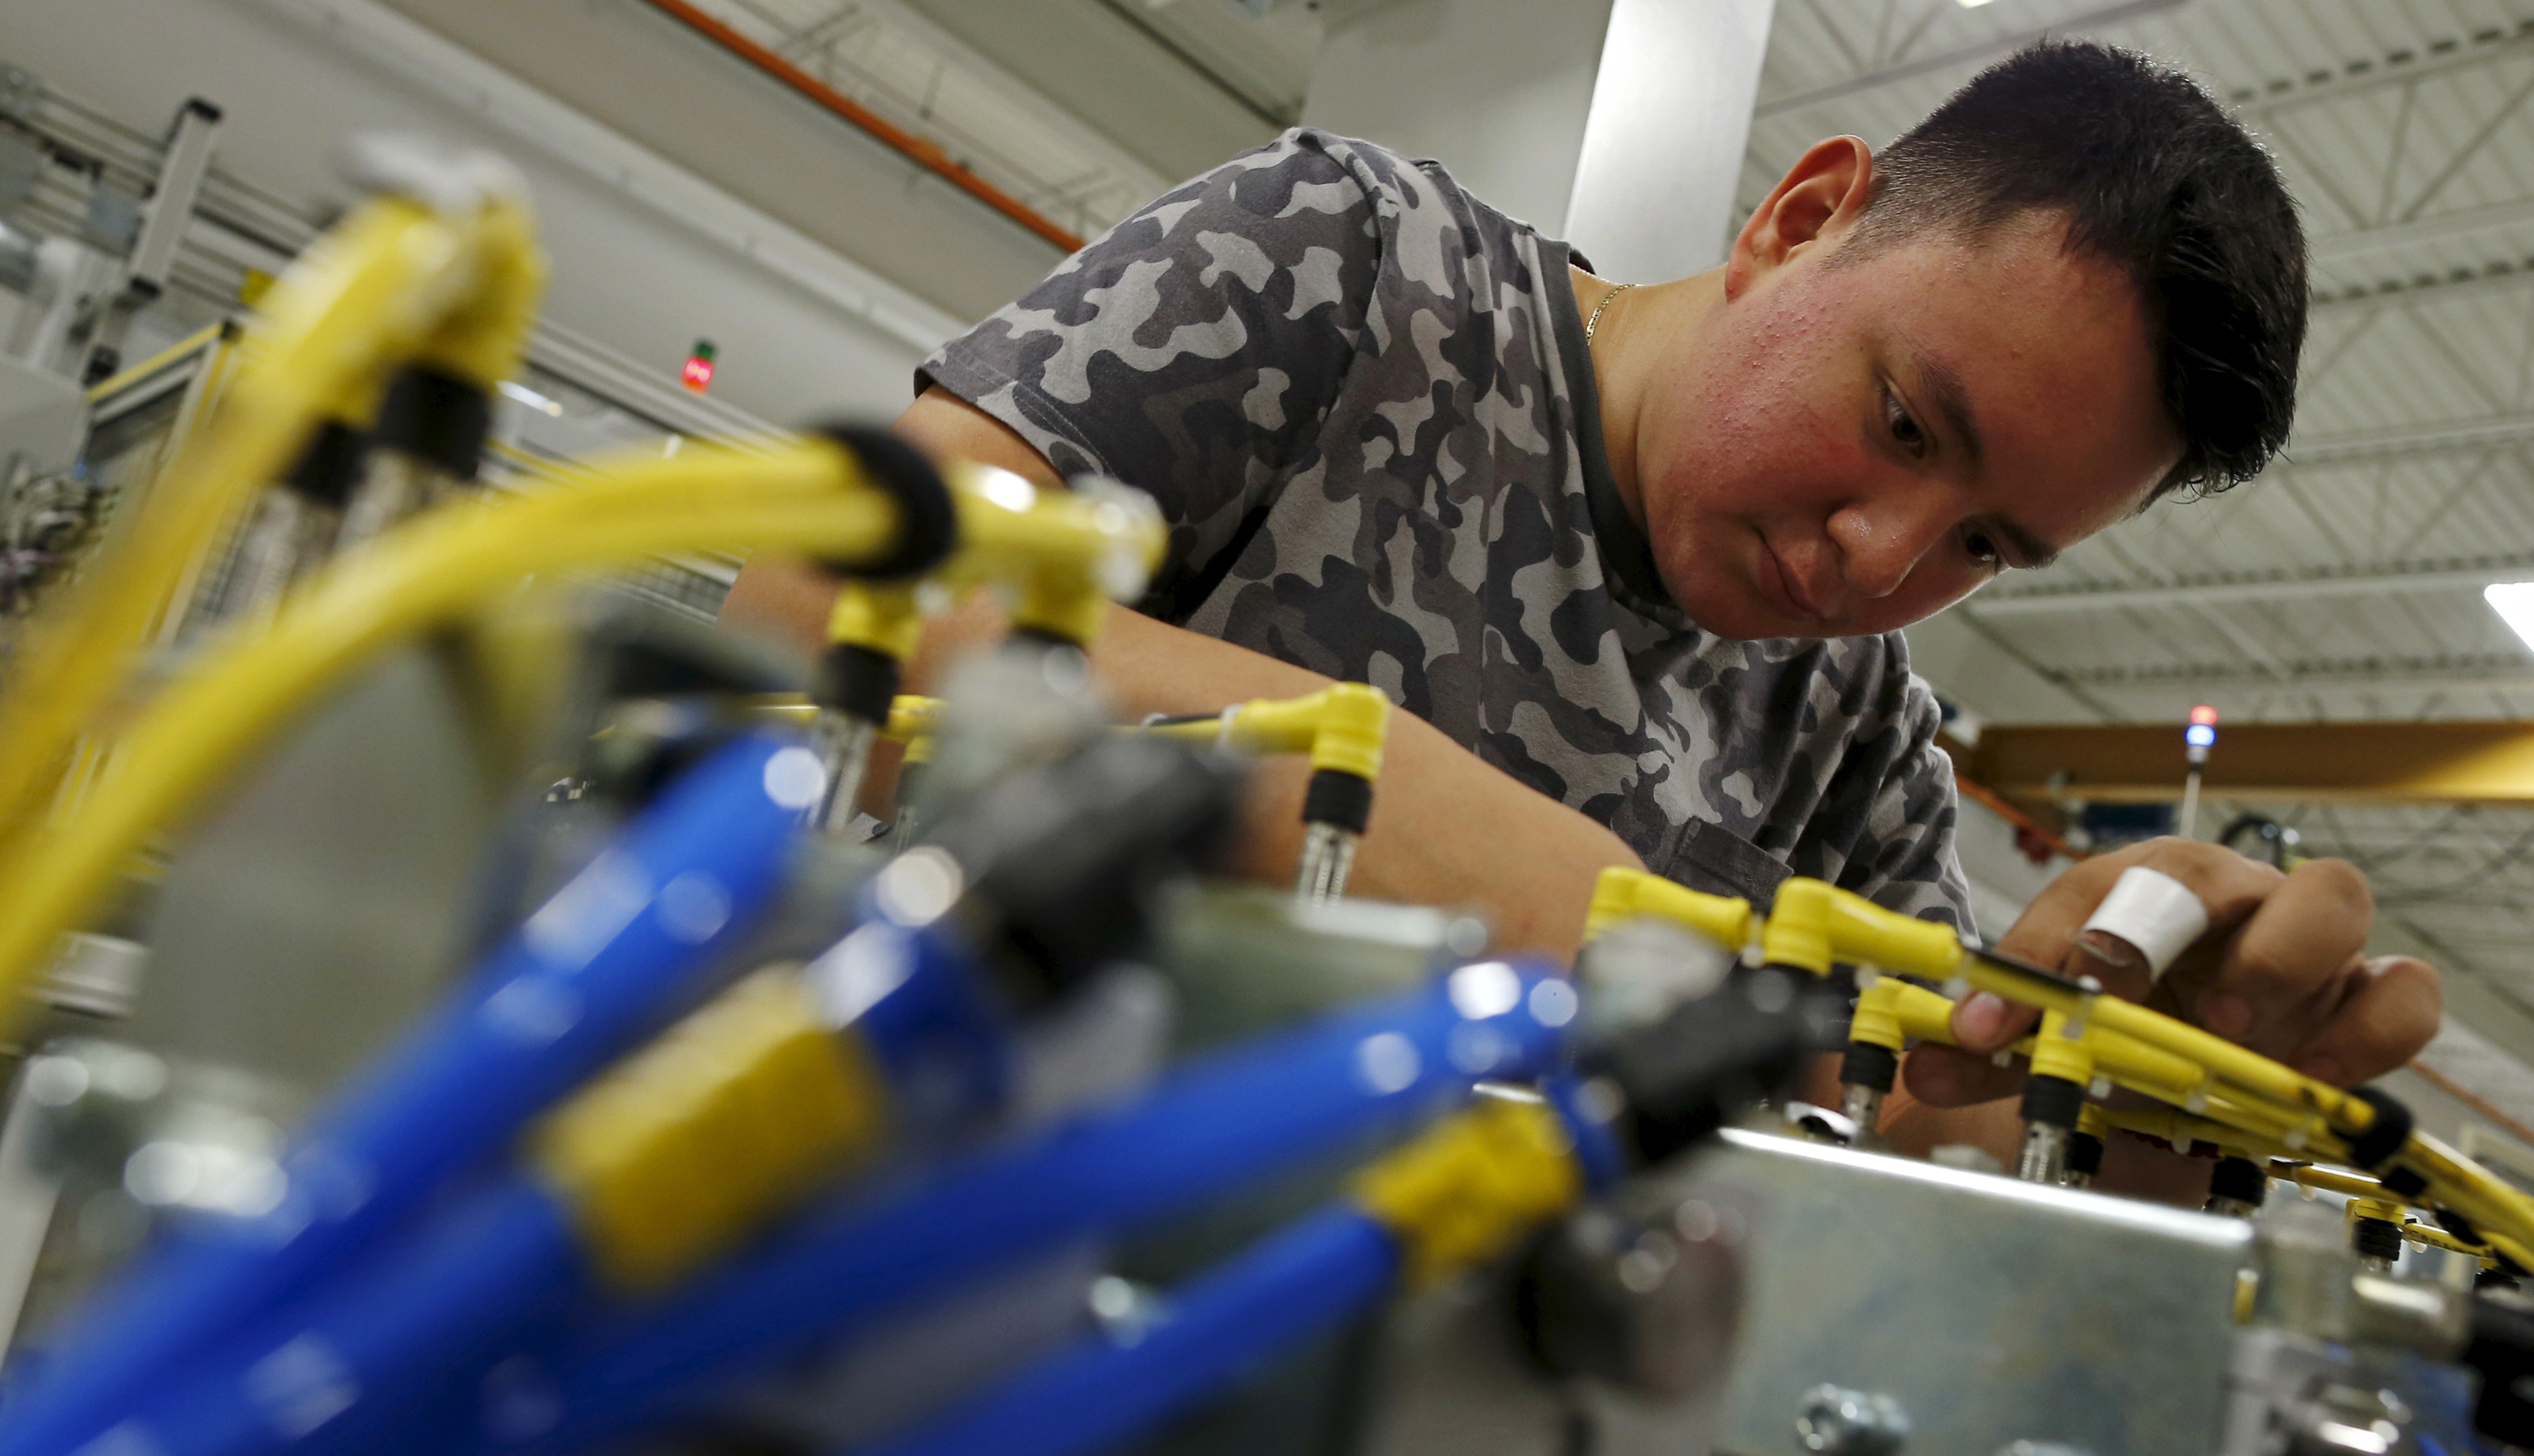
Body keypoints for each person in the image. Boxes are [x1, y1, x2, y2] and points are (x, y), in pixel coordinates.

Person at [728, 42, 2441, 1164]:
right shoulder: (1353, 271)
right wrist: (1400, 812)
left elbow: (1894, 1138)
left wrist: (2120, 1092)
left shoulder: (1851, 739)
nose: (1880, 561)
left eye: (1986, 545)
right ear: (1802, 215)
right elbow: (825, 597)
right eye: (1904, 423)